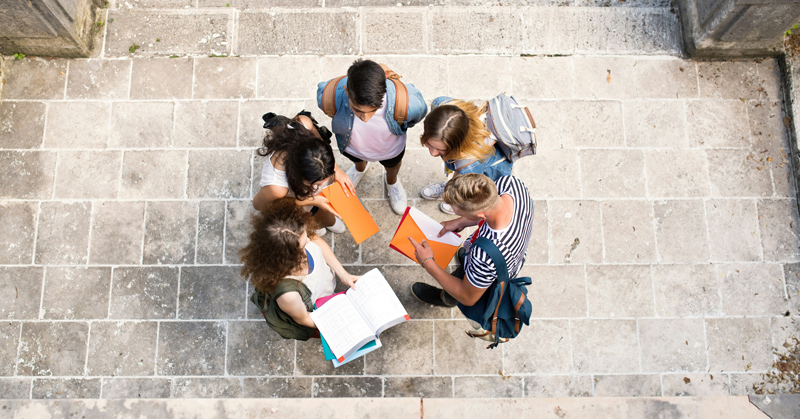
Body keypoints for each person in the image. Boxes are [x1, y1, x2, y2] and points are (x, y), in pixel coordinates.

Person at [408, 174, 533, 317]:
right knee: (472, 266)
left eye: (458, 212)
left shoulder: (484, 256)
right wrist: (460, 222)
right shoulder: (511, 183)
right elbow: (490, 208)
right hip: (513, 250)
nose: (457, 214)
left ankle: (446, 298)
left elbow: (467, 297)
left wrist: (428, 262)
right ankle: (469, 269)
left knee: (457, 290)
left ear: (480, 215)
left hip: (494, 266)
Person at [317, 59, 427, 215]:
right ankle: (359, 169)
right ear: (346, 91)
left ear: (384, 92)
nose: (365, 118)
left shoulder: (409, 103)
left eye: (373, 110)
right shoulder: (329, 95)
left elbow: (417, 116)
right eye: (357, 110)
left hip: (391, 151)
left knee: (392, 167)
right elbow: (323, 98)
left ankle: (392, 182)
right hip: (352, 148)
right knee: (358, 161)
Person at [241, 198, 359, 340]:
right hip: (316, 308)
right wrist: (335, 323)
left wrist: (343, 274)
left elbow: (316, 240)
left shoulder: (295, 234)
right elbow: (304, 319)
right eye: (303, 245)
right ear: (286, 258)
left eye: (305, 233)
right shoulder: (288, 295)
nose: (309, 240)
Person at [252, 111, 354, 236]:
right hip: (294, 202)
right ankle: (317, 224)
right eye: (317, 183)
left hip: (311, 196)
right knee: (311, 219)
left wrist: (336, 170)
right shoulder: (277, 188)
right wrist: (311, 200)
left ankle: (326, 222)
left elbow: (320, 142)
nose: (322, 184)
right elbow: (259, 205)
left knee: (326, 217)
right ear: (298, 175)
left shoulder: (304, 124)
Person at [418, 97, 513, 215]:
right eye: (429, 143)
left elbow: (474, 186)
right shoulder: (440, 104)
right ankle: (450, 187)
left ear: (458, 145)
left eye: (441, 149)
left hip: (491, 167)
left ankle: (455, 195)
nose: (433, 153)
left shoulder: (468, 165)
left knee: (464, 184)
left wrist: (458, 191)